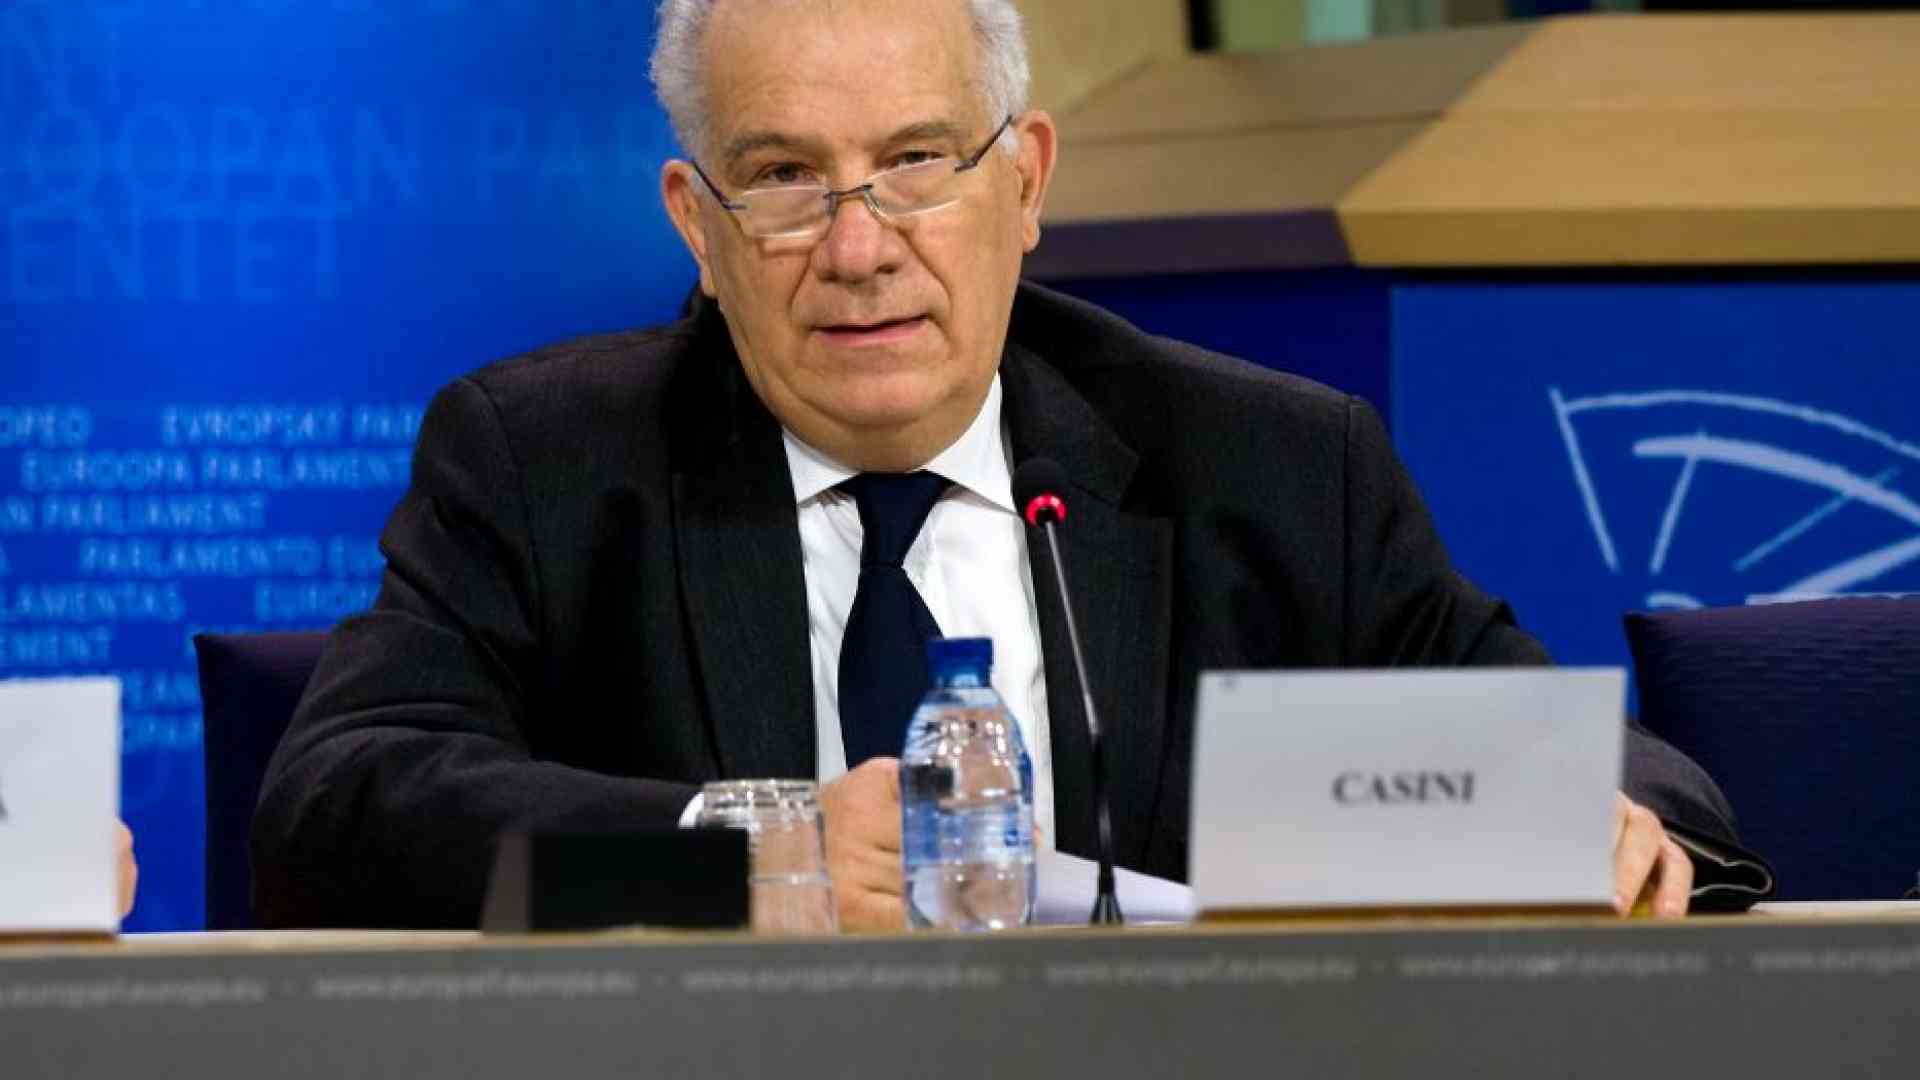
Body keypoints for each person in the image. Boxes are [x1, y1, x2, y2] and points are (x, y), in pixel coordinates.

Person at [253, 0, 1751, 930]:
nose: (860, 247)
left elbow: (1597, 766)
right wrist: (737, 860)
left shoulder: (1270, 468)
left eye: (917, 162)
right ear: (698, 228)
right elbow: (335, 820)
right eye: (784, 179)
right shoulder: (546, 467)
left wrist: (1605, 825)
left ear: (1024, 182)